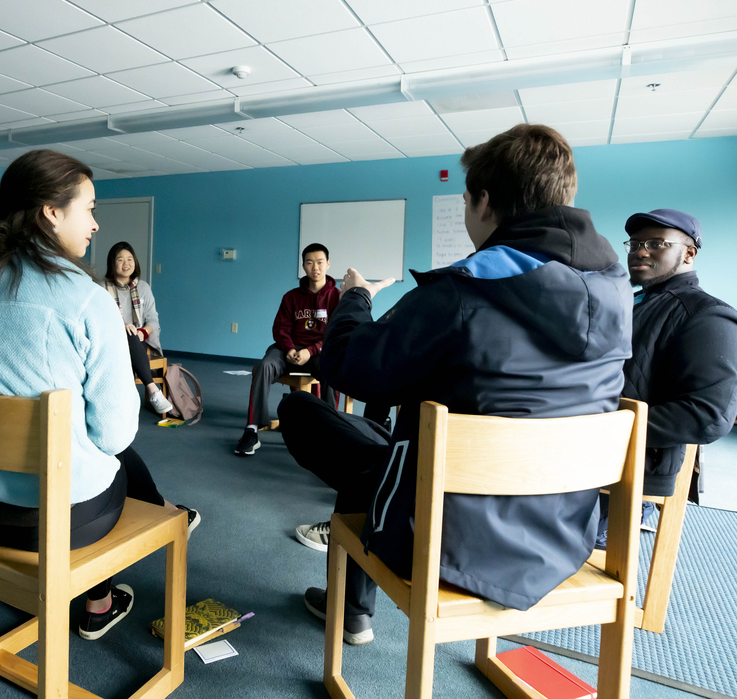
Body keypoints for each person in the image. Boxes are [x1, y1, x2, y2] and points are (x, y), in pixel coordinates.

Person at [280, 124, 632, 645]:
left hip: (446, 537)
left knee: (302, 413)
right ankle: (350, 606)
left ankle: (351, 608)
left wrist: (356, 298)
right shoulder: (618, 290)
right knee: (392, 447)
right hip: (563, 534)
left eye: (466, 198)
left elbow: (347, 367)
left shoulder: (462, 292)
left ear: (484, 203)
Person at [0, 150, 198, 641]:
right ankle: (102, 596)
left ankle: (165, 512)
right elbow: (114, 435)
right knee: (115, 457)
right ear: (51, 212)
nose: (96, 224)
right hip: (57, 522)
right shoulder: (85, 299)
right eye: (89, 208)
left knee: (91, 451)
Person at [595, 209, 737, 548]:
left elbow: (709, 416)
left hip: (630, 476)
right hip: (591, 457)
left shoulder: (708, 316)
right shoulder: (633, 304)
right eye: (635, 243)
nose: (639, 251)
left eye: (656, 243)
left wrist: (600, 427)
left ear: (689, 253)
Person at [235, 243, 341, 456]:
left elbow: (336, 333)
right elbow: (280, 327)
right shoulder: (291, 296)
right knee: (263, 366)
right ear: (303, 266)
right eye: (309, 263)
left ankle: (331, 430)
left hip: (319, 352)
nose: (315, 268)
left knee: (332, 369)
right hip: (288, 349)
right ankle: (252, 429)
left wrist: (310, 351)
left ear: (328, 264)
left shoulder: (337, 297)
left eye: (320, 262)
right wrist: (290, 349)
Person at [104, 241, 173, 416]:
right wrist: (120, 325)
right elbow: (99, 319)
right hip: (111, 340)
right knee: (128, 334)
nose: (126, 264)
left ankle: (127, 399)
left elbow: (153, 321)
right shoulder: (101, 287)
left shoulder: (143, 287)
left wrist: (142, 331)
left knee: (133, 336)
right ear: (112, 263)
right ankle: (153, 391)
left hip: (141, 341)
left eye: (129, 259)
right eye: (120, 260)